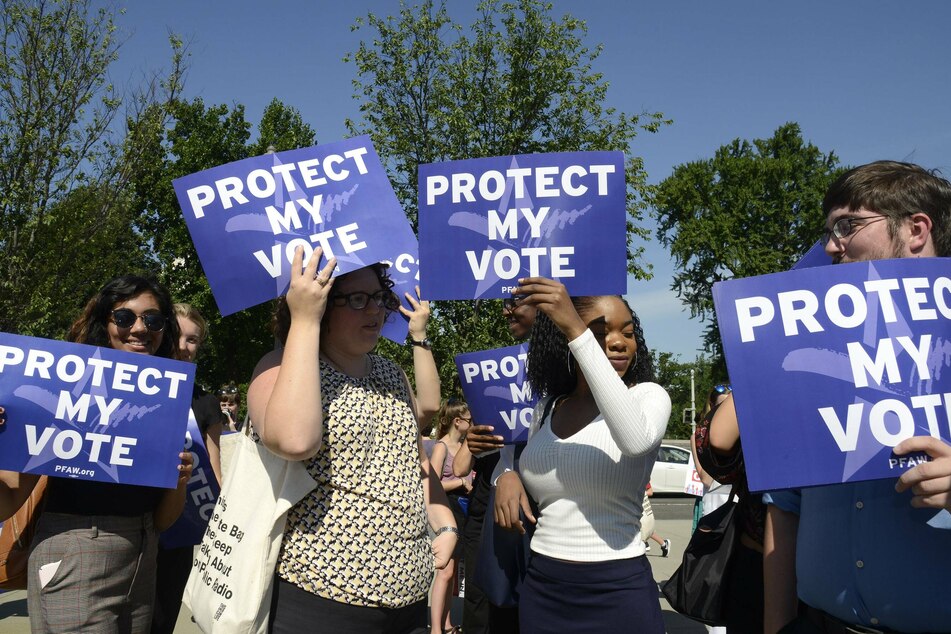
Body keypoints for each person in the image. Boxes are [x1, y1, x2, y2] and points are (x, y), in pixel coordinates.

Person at [762, 161, 951, 633]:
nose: (830, 246)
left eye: (847, 225)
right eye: (829, 230)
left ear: (916, 229)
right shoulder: (805, 349)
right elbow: (784, 508)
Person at [247, 247, 458, 634]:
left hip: (409, 603)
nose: (375, 311)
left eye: (379, 298)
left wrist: (444, 521)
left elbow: (417, 466)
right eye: (358, 300)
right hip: (319, 605)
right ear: (322, 303)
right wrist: (304, 322)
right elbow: (295, 440)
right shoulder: (277, 368)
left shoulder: (391, 374)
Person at [0, 274, 194, 632]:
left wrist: (179, 481)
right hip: (74, 553)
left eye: (153, 320)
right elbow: (8, 498)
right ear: (104, 324)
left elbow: (162, 521)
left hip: (143, 557)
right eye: (124, 317)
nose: (139, 328)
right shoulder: (57, 387)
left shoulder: (165, 406)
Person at [494, 279, 670, 633]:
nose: (619, 341)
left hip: (618, 588)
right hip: (544, 586)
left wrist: (576, 326)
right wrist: (505, 475)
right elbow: (526, 465)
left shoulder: (648, 398)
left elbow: (635, 442)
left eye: (628, 332)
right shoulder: (548, 407)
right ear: (562, 338)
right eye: (601, 330)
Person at [452, 295, 538, 634]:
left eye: (514, 302)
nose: (505, 310)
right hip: (489, 513)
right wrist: (474, 443)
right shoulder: (497, 380)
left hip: (542, 513)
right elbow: (462, 468)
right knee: (486, 599)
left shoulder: (570, 374)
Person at [151, 303, 226, 634]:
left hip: (178, 528)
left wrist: (221, 524)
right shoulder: (135, 388)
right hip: (129, 522)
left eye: (193, 340)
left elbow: (213, 466)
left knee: (162, 617)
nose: (183, 347)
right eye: (177, 336)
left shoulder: (205, 403)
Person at [429, 399, 474, 634]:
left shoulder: (465, 446)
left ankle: (446, 624)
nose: (472, 422)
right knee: (445, 571)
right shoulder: (441, 447)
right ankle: (436, 628)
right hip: (449, 511)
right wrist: (460, 481)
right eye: (469, 419)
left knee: (452, 572)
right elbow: (432, 484)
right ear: (457, 421)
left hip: (463, 510)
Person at [641, 482, 671, 556]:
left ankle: (644, 544)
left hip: (641, 507)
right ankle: (663, 544)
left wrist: (639, 494)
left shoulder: (642, 475)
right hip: (634, 506)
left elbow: (650, 492)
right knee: (646, 529)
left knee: (644, 527)